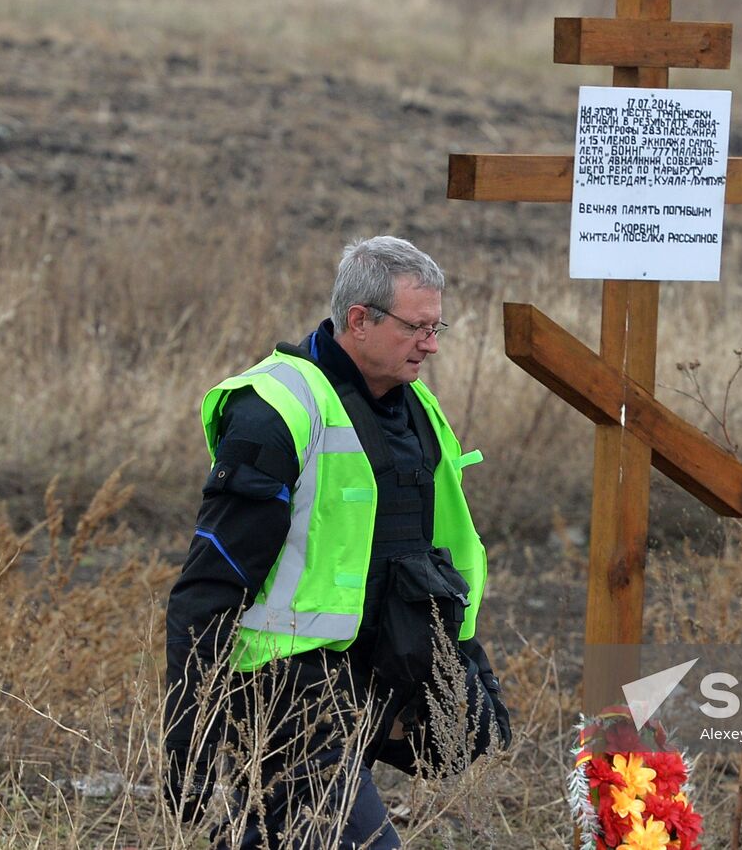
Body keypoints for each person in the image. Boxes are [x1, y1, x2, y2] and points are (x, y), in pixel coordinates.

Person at [164, 236, 509, 848]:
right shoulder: (275, 409)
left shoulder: (417, 409)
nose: (432, 344)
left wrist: (467, 668)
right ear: (360, 320)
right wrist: (187, 734)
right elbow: (210, 582)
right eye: (418, 328)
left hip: (374, 678)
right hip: (282, 688)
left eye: (438, 327)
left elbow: (427, 557)